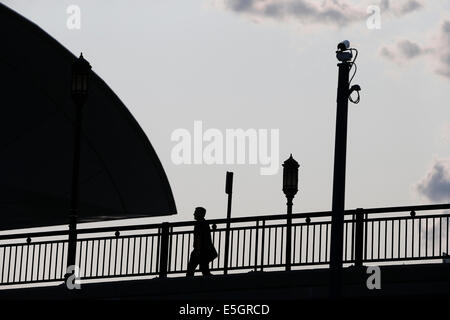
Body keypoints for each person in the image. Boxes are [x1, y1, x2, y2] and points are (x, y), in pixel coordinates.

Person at [186, 207, 218, 276]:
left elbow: (200, 237)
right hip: (203, 250)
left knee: (192, 268)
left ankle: (188, 283)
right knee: (204, 269)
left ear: (200, 214)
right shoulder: (204, 223)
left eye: (196, 212)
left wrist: (198, 250)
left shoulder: (200, 224)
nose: (194, 214)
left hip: (200, 249)